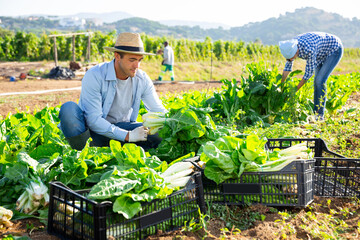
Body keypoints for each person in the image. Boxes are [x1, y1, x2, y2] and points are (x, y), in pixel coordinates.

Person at [58, 32, 167, 150]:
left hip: (122, 128)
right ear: (117, 56)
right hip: (91, 132)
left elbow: (158, 110)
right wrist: (128, 136)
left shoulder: (142, 79)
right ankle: (82, 151)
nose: (137, 65)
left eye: (140, 60)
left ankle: (111, 147)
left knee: (158, 133)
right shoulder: (95, 75)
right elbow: (94, 120)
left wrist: (177, 120)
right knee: (68, 109)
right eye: (132, 60)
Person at [279, 32, 343, 120]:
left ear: (296, 51)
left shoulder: (308, 49)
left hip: (334, 49)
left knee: (320, 81)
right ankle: (315, 113)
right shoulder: (290, 46)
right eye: (288, 58)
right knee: (316, 81)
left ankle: (319, 115)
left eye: (291, 57)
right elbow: (287, 67)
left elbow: (308, 74)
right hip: (320, 52)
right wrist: (281, 86)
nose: (290, 60)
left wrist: (295, 89)